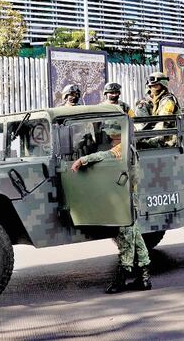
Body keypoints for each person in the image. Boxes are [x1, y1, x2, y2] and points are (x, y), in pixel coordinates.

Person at [71, 122, 152, 293]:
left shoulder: (121, 149)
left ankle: (122, 279)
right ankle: (144, 279)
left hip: (126, 199)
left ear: (116, 136)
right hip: (130, 198)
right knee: (136, 237)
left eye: (111, 135)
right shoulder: (128, 147)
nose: (109, 138)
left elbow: (104, 156)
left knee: (125, 238)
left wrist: (83, 159)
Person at [136, 71, 180, 147]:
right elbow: (138, 122)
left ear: (163, 86)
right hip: (152, 133)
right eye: (151, 86)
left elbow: (163, 122)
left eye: (156, 86)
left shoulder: (168, 101)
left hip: (168, 136)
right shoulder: (149, 101)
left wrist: (150, 138)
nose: (153, 89)